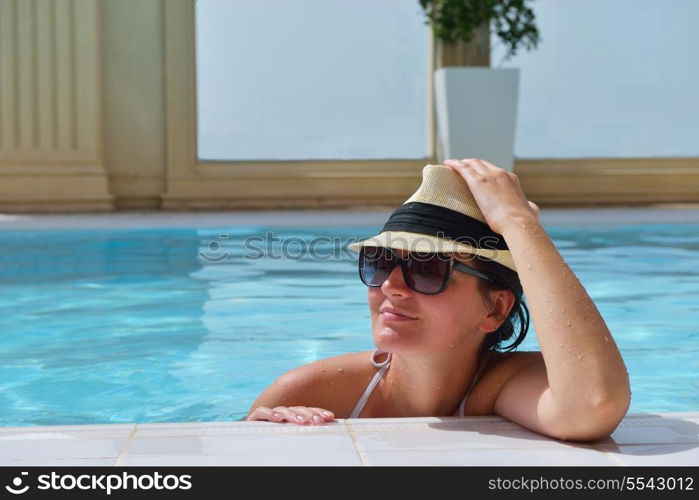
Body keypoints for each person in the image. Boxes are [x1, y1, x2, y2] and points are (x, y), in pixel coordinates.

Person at [245, 159, 631, 441]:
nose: (392, 286)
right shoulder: (309, 391)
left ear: (495, 309)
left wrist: (518, 222)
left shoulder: (503, 385)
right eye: (380, 263)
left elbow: (591, 406)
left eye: (428, 269)